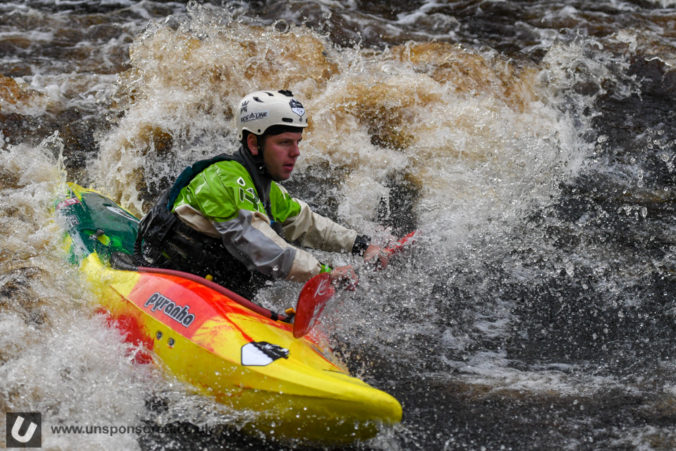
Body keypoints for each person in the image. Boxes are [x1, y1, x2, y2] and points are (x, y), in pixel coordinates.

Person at [136, 89, 386, 299]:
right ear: (254, 144)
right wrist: (324, 273)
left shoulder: (267, 188)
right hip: (167, 282)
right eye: (285, 143)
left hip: (215, 289)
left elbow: (306, 224)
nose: (296, 152)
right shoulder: (224, 179)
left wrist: (361, 245)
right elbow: (265, 248)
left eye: (298, 142)